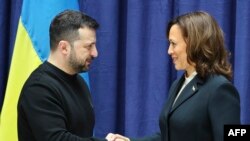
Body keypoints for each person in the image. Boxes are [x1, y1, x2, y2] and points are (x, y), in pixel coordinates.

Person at [106, 11, 240, 141]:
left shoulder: (220, 89)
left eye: (173, 44)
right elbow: (169, 135)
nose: (169, 51)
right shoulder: (178, 84)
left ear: (195, 43)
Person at [17, 10, 106, 141]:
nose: (95, 53)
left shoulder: (79, 82)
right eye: (89, 46)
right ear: (64, 47)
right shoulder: (39, 88)